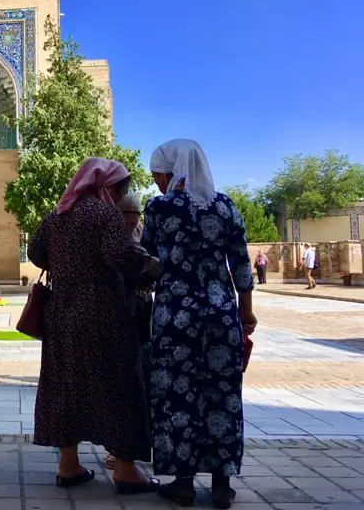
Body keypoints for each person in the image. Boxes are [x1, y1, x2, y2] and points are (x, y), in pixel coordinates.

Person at [28, 158, 160, 494]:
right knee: (119, 384)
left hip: (61, 313)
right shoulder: (104, 216)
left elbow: (35, 252)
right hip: (103, 313)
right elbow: (121, 257)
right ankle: (126, 471)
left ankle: (68, 466)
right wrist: (151, 265)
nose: (121, 197)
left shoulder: (57, 216)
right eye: (120, 189)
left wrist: (65, 264)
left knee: (65, 385)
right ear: (106, 186)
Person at [143, 139, 257, 509]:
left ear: (174, 170)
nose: (159, 182)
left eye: (160, 174)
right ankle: (222, 485)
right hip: (221, 316)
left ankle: (184, 483)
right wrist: (246, 310)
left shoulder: (159, 209)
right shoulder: (225, 208)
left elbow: (148, 260)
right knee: (221, 395)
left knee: (178, 394)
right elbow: (241, 262)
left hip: (176, 318)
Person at [103, 191, 155, 471]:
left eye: (134, 220)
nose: (131, 225)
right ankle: (121, 451)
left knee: (139, 382)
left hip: (138, 317)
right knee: (121, 385)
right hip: (117, 318)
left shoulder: (137, 234)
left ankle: (129, 451)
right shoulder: (110, 236)